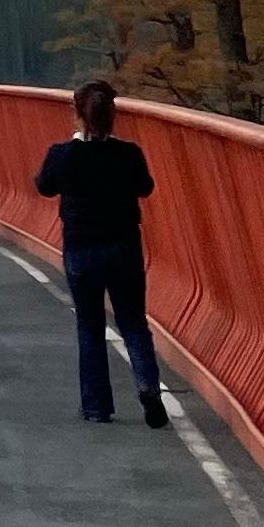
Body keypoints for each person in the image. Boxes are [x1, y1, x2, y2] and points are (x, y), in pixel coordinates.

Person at [34, 79, 166, 426]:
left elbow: (44, 186)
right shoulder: (129, 154)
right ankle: (149, 389)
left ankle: (96, 407)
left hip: (81, 248)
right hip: (124, 245)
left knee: (90, 325)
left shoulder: (63, 155)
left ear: (77, 114)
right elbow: (145, 187)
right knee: (134, 322)